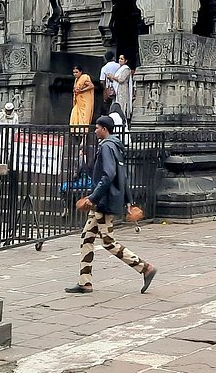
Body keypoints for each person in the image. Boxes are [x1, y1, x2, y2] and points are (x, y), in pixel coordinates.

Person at [65, 115, 157, 295]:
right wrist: (129, 200)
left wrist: (92, 197)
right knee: (86, 238)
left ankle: (145, 268)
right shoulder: (115, 146)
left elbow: (109, 175)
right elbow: (122, 175)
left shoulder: (107, 147)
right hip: (103, 201)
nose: (95, 130)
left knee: (108, 242)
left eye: (97, 128)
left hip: (103, 202)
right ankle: (85, 282)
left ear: (105, 129)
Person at [113, 58, 136, 124]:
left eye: (122, 59)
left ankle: (123, 123)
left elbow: (121, 79)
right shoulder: (120, 69)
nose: (120, 60)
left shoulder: (126, 69)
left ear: (125, 61)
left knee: (122, 107)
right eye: (119, 58)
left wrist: (112, 77)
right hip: (118, 89)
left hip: (123, 89)